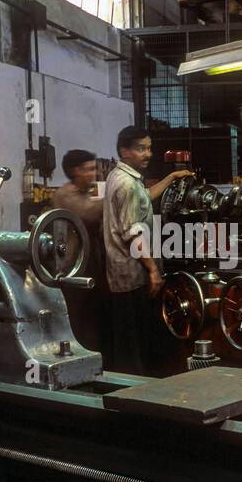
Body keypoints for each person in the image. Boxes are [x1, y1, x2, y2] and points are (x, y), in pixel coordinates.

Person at [101, 125, 191, 374]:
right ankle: (135, 395)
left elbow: (146, 197)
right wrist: (153, 271)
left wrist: (171, 178)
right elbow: (133, 234)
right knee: (135, 346)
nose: (148, 154)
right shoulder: (127, 185)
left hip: (121, 275)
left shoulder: (119, 176)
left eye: (149, 148)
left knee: (129, 342)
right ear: (124, 151)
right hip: (133, 276)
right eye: (141, 149)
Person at [51, 148, 105, 352]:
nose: (94, 174)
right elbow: (88, 213)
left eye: (94, 169)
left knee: (92, 317)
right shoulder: (65, 194)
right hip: (74, 269)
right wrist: (116, 195)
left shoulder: (85, 193)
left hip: (90, 265)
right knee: (79, 318)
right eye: (89, 169)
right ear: (75, 171)